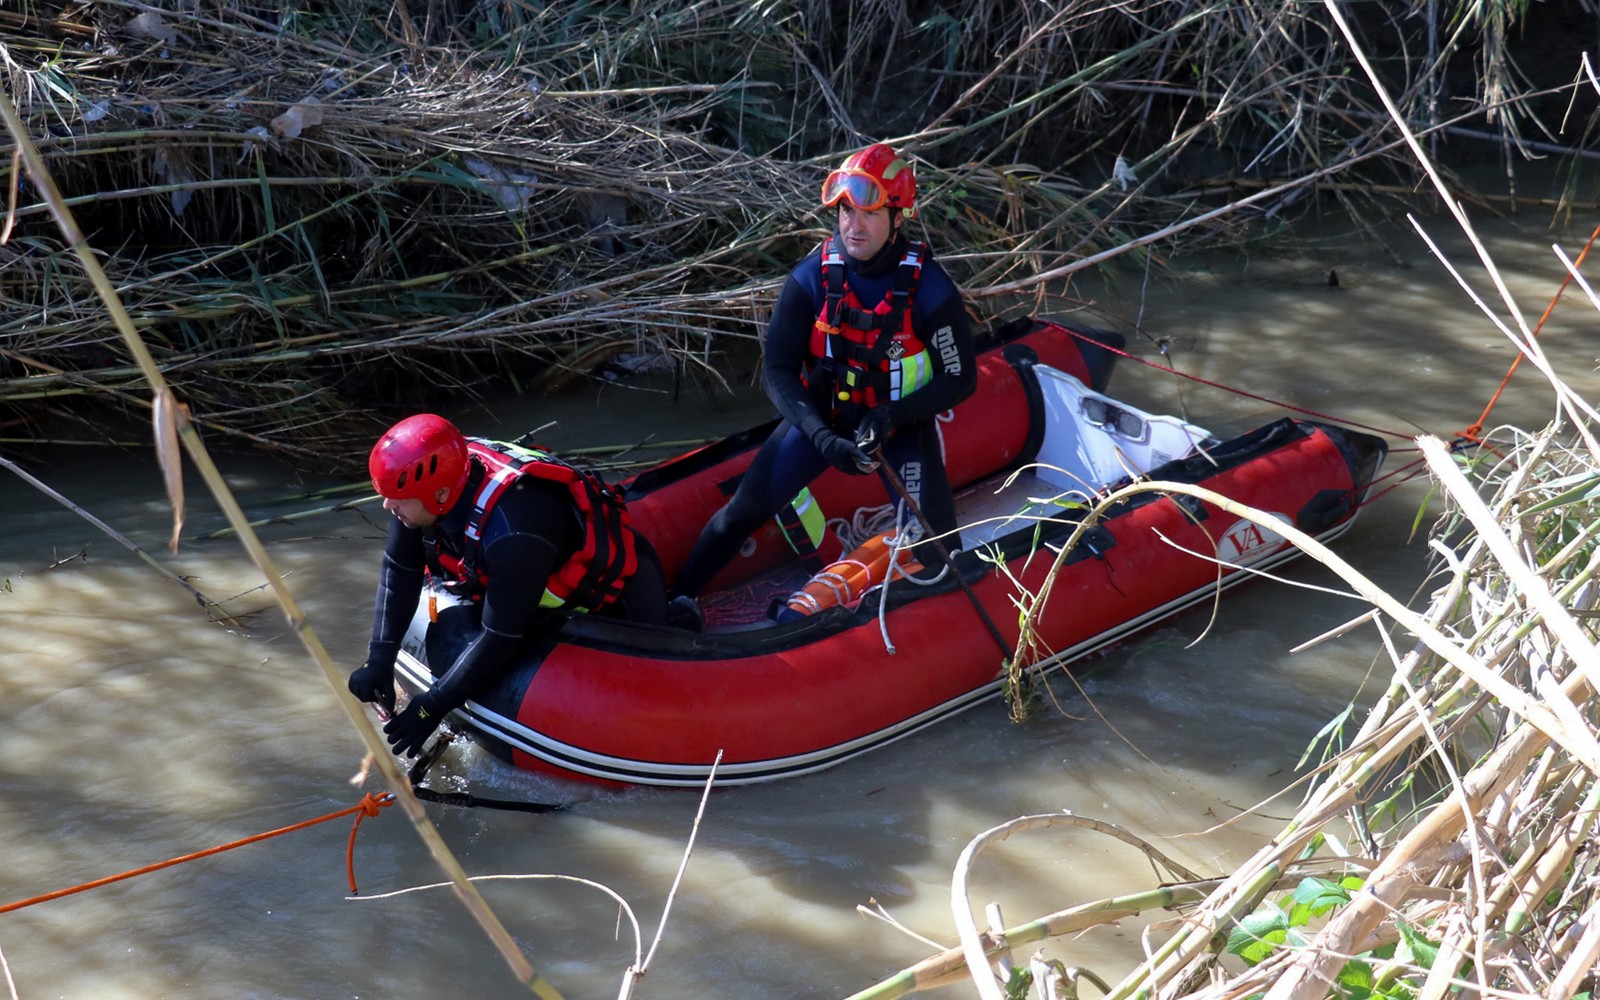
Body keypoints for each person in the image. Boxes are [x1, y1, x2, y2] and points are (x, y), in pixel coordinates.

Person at [667, 143, 977, 627]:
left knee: (940, 551)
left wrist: (891, 415)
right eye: (846, 211)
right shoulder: (810, 279)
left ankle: (881, 614)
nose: (853, 225)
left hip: (900, 428)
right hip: (823, 423)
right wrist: (821, 436)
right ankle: (679, 600)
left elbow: (961, 378)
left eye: (869, 213)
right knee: (739, 514)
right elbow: (777, 372)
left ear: (898, 219)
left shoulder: (932, 291)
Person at [347, 414, 668, 757]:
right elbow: (400, 568)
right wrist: (379, 657)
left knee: (658, 684)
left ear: (440, 493)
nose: (386, 505)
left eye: (396, 498)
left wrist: (432, 705)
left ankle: (683, 612)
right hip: (526, 594)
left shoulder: (514, 532)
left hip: (620, 595)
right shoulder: (426, 493)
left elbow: (499, 637)